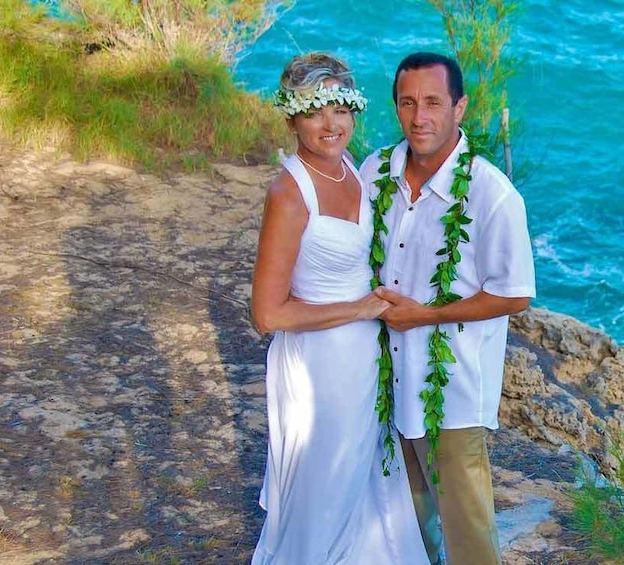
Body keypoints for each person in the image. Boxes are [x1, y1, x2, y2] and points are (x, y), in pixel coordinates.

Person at [249, 52, 429, 565]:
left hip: (362, 355)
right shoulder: (290, 191)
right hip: (318, 364)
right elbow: (268, 314)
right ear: (292, 118)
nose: (330, 124)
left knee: (362, 471)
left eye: (340, 108)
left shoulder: (352, 168)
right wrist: (358, 309)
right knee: (325, 480)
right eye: (314, 110)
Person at [359, 52, 536, 565]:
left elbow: (516, 293)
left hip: (450, 392)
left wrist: (426, 315)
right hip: (385, 382)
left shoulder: (491, 195)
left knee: (467, 534)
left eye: (433, 103)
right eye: (408, 103)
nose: (420, 117)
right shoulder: (377, 172)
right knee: (406, 525)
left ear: (459, 108)